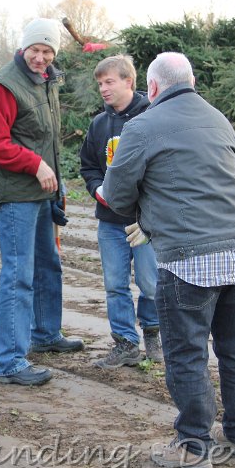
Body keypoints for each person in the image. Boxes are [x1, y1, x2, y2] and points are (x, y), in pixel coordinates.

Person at [102, 52, 235, 468]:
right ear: (190, 80)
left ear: (150, 88)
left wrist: (146, 214)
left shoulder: (142, 126)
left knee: (186, 353)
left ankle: (193, 446)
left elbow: (116, 195)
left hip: (189, 257)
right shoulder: (219, 119)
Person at [0, 17, 84, 386]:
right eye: (35, 50)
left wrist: (56, 183)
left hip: (42, 191)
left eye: (47, 51)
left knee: (48, 265)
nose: (40, 57)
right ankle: (9, 361)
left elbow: (45, 137)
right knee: (18, 275)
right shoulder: (6, 85)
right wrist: (35, 164)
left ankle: (45, 333)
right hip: (15, 194)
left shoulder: (46, 80)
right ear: (23, 48)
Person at [79, 54, 162, 369]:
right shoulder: (100, 124)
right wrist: (97, 188)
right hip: (110, 222)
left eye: (109, 81)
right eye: (100, 83)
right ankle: (125, 344)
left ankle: (153, 335)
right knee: (115, 284)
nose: (103, 88)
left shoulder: (152, 118)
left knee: (150, 282)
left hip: (144, 221)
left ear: (129, 81)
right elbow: (88, 165)